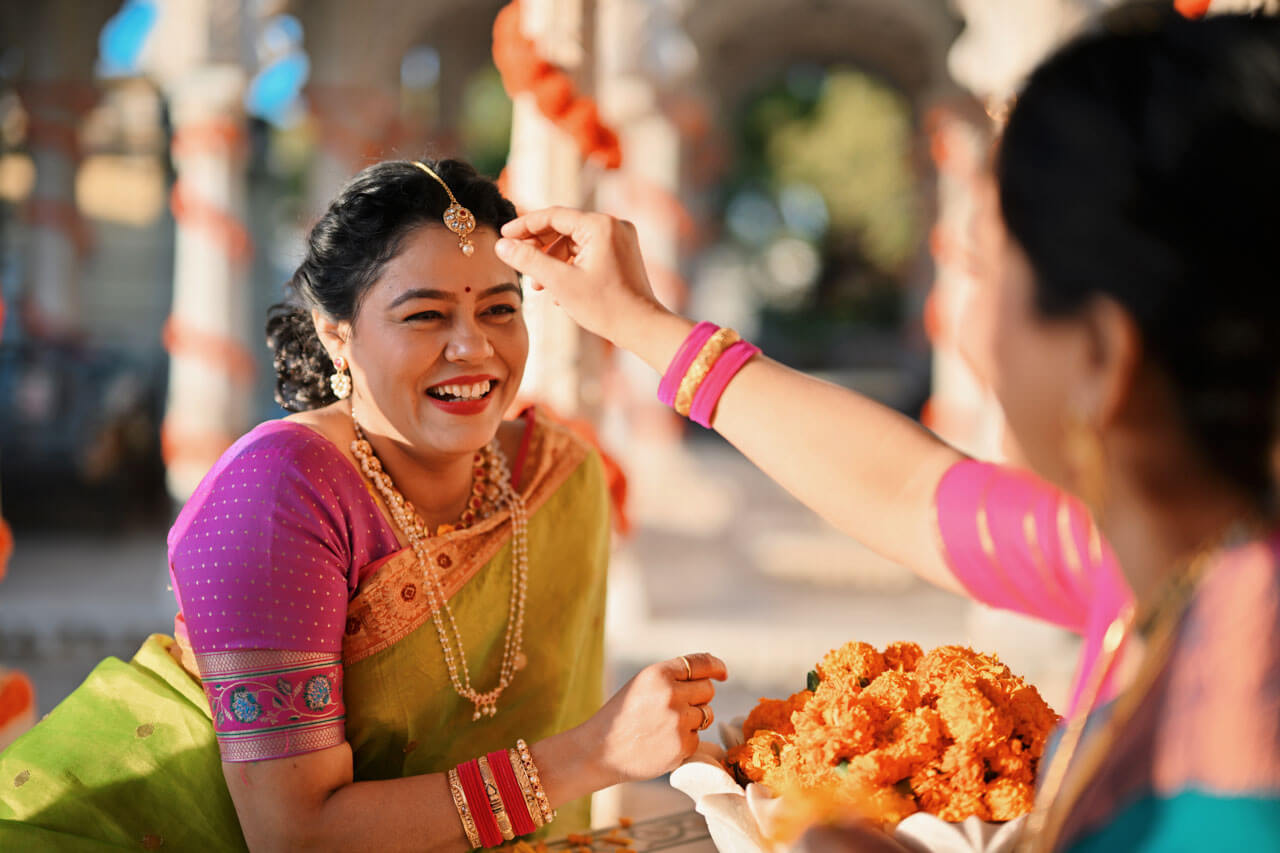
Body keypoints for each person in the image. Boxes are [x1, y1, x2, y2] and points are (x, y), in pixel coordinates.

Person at [492, 12, 1280, 852]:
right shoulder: (1151, 558)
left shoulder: (1240, 727)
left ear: (1099, 358)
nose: (963, 324)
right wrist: (642, 324)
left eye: (981, 266)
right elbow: (910, 494)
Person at [0, 158, 727, 851]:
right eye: (425, 316)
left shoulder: (559, 478)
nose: (473, 347)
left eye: (500, 308)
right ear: (336, 332)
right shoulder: (277, 491)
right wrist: (593, 753)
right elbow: (296, 834)